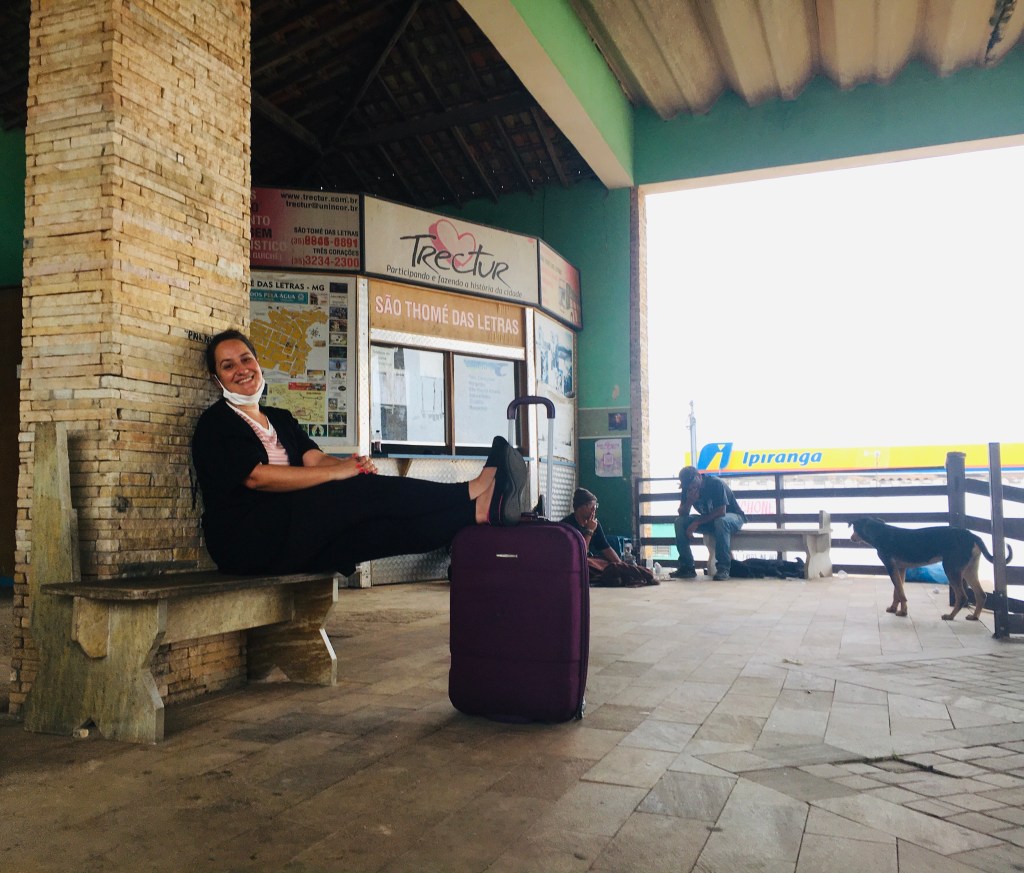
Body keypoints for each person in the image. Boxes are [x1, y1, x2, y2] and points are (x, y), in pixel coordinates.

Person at [191, 329, 527, 576]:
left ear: (257, 362)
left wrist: (350, 465)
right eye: (228, 366)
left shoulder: (279, 418)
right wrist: (339, 474)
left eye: (246, 359)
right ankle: (471, 489)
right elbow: (257, 478)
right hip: (246, 542)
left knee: (382, 534)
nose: (241, 369)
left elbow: (314, 459)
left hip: (294, 534)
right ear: (216, 379)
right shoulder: (216, 424)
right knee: (355, 489)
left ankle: (476, 512)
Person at [672, 466, 746, 580]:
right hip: (711, 521)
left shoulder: (715, 483)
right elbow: (682, 513)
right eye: (687, 485)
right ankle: (687, 567)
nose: (690, 487)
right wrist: (689, 501)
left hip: (733, 517)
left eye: (692, 483)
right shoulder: (687, 488)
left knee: (721, 521)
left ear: (699, 476)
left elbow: (721, 511)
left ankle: (724, 568)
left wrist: (696, 523)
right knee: (679, 522)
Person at [561, 487, 622, 564]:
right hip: (574, 563)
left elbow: (605, 548)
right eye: (590, 505)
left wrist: (620, 565)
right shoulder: (567, 526)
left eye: (595, 506)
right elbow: (580, 554)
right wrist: (589, 530)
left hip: (587, 561)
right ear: (579, 507)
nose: (594, 510)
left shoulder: (594, 524)